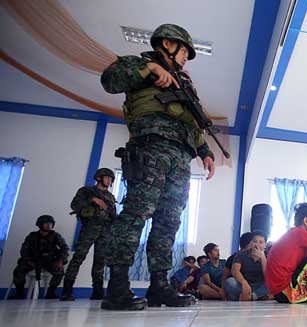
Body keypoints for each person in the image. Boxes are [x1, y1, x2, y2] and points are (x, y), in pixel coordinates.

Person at [100, 23, 216, 310]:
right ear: (166, 44)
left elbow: (192, 121)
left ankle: (159, 286)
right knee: (136, 213)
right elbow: (109, 80)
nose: (186, 57)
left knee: (169, 221)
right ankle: (116, 287)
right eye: (184, 51)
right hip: (151, 147)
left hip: (181, 155)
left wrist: (205, 151)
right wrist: (150, 70)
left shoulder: (184, 82)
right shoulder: (139, 64)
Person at [60, 168, 117, 301]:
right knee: (78, 257)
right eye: (107, 177)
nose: (109, 180)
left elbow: (114, 215)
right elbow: (75, 205)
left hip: (105, 231)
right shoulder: (86, 191)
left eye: (111, 179)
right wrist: (93, 200)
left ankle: (97, 291)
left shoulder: (110, 197)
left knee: (100, 261)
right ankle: (67, 291)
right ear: (99, 178)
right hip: (89, 229)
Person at [9, 215, 68, 299]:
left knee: (59, 271)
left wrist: (60, 261)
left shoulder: (55, 236)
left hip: (49, 260)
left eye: (51, 223)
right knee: (19, 271)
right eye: (46, 223)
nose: (49, 225)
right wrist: (28, 261)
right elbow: (24, 250)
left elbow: (65, 248)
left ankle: (50, 293)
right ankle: (19, 294)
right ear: (40, 224)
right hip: (33, 260)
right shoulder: (32, 236)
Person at [225, 231, 270, 301]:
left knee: (271, 283)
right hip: (243, 285)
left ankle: (251, 297)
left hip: (260, 285)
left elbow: (268, 277)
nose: (257, 245)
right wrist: (244, 283)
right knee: (229, 282)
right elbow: (235, 271)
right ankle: (257, 296)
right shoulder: (241, 255)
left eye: (261, 242)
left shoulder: (269, 256)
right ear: (250, 243)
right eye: (255, 241)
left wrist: (263, 258)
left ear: (265, 245)